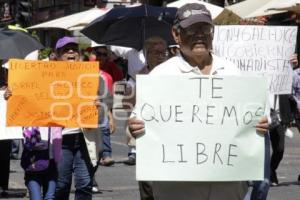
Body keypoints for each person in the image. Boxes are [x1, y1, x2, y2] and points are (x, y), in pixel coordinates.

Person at [128, 3, 269, 200]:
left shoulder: (232, 71)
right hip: (177, 190)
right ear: (176, 35)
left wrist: (261, 123)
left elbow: (255, 115)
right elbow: (137, 121)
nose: (200, 35)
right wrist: (134, 127)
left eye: (205, 29)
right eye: (192, 29)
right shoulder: (160, 75)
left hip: (227, 187)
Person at [54, 36, 111, 200]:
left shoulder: (93, 76)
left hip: (86, 137)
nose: (71, 52)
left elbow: (104, 109)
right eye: (66, 50)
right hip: (61, 139)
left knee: (85, 184)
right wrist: (11, 95)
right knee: (61, 184)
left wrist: (99, 106)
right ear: (57, 55)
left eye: (74, 49)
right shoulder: (47, 78)